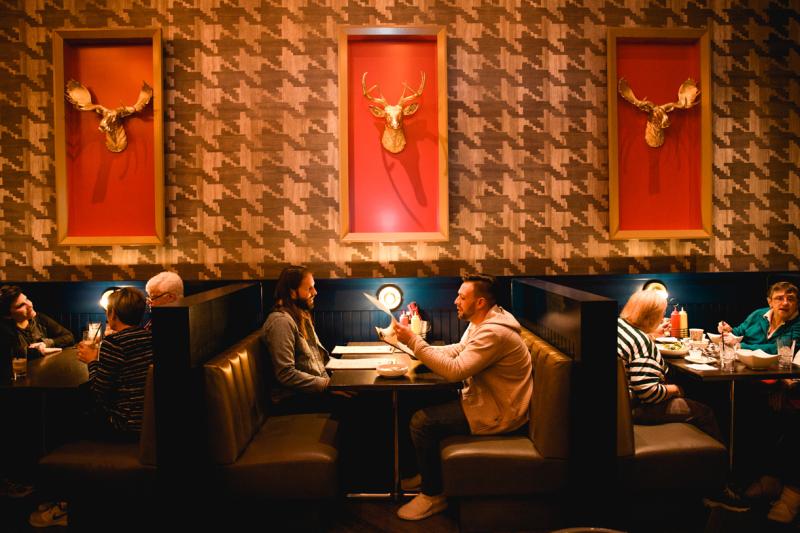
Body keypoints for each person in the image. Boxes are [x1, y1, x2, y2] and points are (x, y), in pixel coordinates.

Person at [391, 274, 532, 521]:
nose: (455, 300)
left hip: (500, 412)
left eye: (462, 297)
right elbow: (459, 349)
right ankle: (428, 474)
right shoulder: (483, 322)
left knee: (422, 422)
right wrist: (416, 350)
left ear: (480, 302)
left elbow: (456, 370)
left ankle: (433, 496)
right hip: (484, 400)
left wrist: (415, 342)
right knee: (416, 403)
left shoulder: (494, 333)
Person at [29, 287, 153, 528]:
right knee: (69, 414)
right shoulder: (149, 337)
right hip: (146, 420)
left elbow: (98, 392)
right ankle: (61, 496)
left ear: (113, 314)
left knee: (60, 420)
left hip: (123, 424)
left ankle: (65, 502)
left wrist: (93, 360)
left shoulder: (114, 343)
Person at [617, 289, 720, 440]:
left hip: (618, 403)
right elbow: (649, 394)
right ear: (651, 317)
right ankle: (720, 460)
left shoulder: (620, 326)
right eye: (661, 314)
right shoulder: (641, 342)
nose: (663, 319)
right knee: (704, 412)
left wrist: (650, 333)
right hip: (632, 408)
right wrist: (676, 389)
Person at [261, 266, 350, 413]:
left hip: (312, 393)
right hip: (292, 399)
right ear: (292, 292)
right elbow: (286, 374)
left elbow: (319, 361)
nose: (315, 292)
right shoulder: (281, 322)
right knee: (363, 401)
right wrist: (328, 386)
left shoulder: (301, 316)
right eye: (309, 289)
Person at [718, 281, 800, 353]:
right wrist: (729, 330)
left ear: (797, 304)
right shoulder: (758, 314)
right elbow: (739, 332)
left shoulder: (797, 323)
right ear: (770, 302)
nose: (785, 303)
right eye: (779, 298)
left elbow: (782, 349)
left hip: (778, 369)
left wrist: (741, 346)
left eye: (790, 299)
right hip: (745, 363)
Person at [0, 285, 74, 361]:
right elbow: (12, 354)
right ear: (8, 315)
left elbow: (69, 336)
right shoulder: (4, 330)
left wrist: (45, 343)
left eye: (26, 299)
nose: (30, 305)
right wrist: (39, 352)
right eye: (21, 305)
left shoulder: (39, 318)